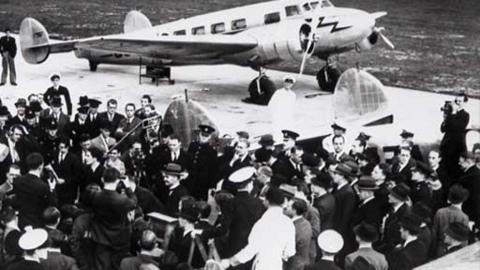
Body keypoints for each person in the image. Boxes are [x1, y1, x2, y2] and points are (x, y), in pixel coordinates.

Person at [221, 187, 295, 270]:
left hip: (262, 265)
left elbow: (251, 250)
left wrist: (230, 261)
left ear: (267, 201)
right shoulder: (289, 223)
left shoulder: (263, 223)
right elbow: (290, 251)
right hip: (277, 265)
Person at [88, 168, 137, 270]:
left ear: (102, 179)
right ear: (118, 180)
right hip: (118, 240)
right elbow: (134, 202)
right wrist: (128, 187)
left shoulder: (94, 196)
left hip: (100, 238)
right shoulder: (122, 200)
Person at [12, 152, 57, 229]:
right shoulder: (43, 186)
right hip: (37, 224)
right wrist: (52, 189)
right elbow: (51, 205)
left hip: (21, 222)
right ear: (41, 166)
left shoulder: (17, 181)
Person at [431, 184, 470, 257]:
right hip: (456, 251)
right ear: (463, 199)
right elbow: (464, 239)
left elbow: (434, 233)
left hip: (440, 248)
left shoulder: (440, 212)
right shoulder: (464, 217)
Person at [440, 94, 470, 178]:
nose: (457, 103)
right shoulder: (451, 114)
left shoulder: (465, 115)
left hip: (456, 148)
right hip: (446, 146)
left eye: (460, 101)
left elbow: (456, 128)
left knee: (452, 171)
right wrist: (445, 117)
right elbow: (443, 129)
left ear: (465, 103)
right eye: (456, 101)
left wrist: (452, 113)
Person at [187, 124, 218, 200]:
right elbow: (187, 161)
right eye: (202, 135)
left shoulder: (212, 151)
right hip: (189, 180)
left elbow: (214, 170)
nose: (204, 137)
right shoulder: (192, 145)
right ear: (199, 134)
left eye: (206, 136)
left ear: (209, 137)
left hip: (202, 184)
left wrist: (213, 186)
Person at [284, 198, 312, 270]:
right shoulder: (307, 223)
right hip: (304, 262)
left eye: (288, 206)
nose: (285, 207)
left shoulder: (292, 227)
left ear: (294, 210)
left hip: (293, 265)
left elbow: (287, 248)